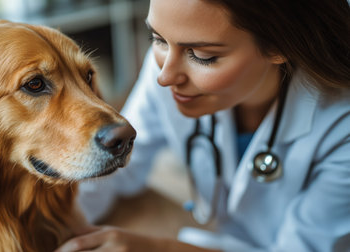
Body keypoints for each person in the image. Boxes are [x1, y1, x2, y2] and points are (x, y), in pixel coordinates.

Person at [56, 0, 350, 251]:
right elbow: (119, 168)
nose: (165, 76)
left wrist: (159, 248)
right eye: (157, 39)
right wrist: (48, 231)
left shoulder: (341, 123)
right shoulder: (168, 67)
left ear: (281, 43)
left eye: (203, 56)